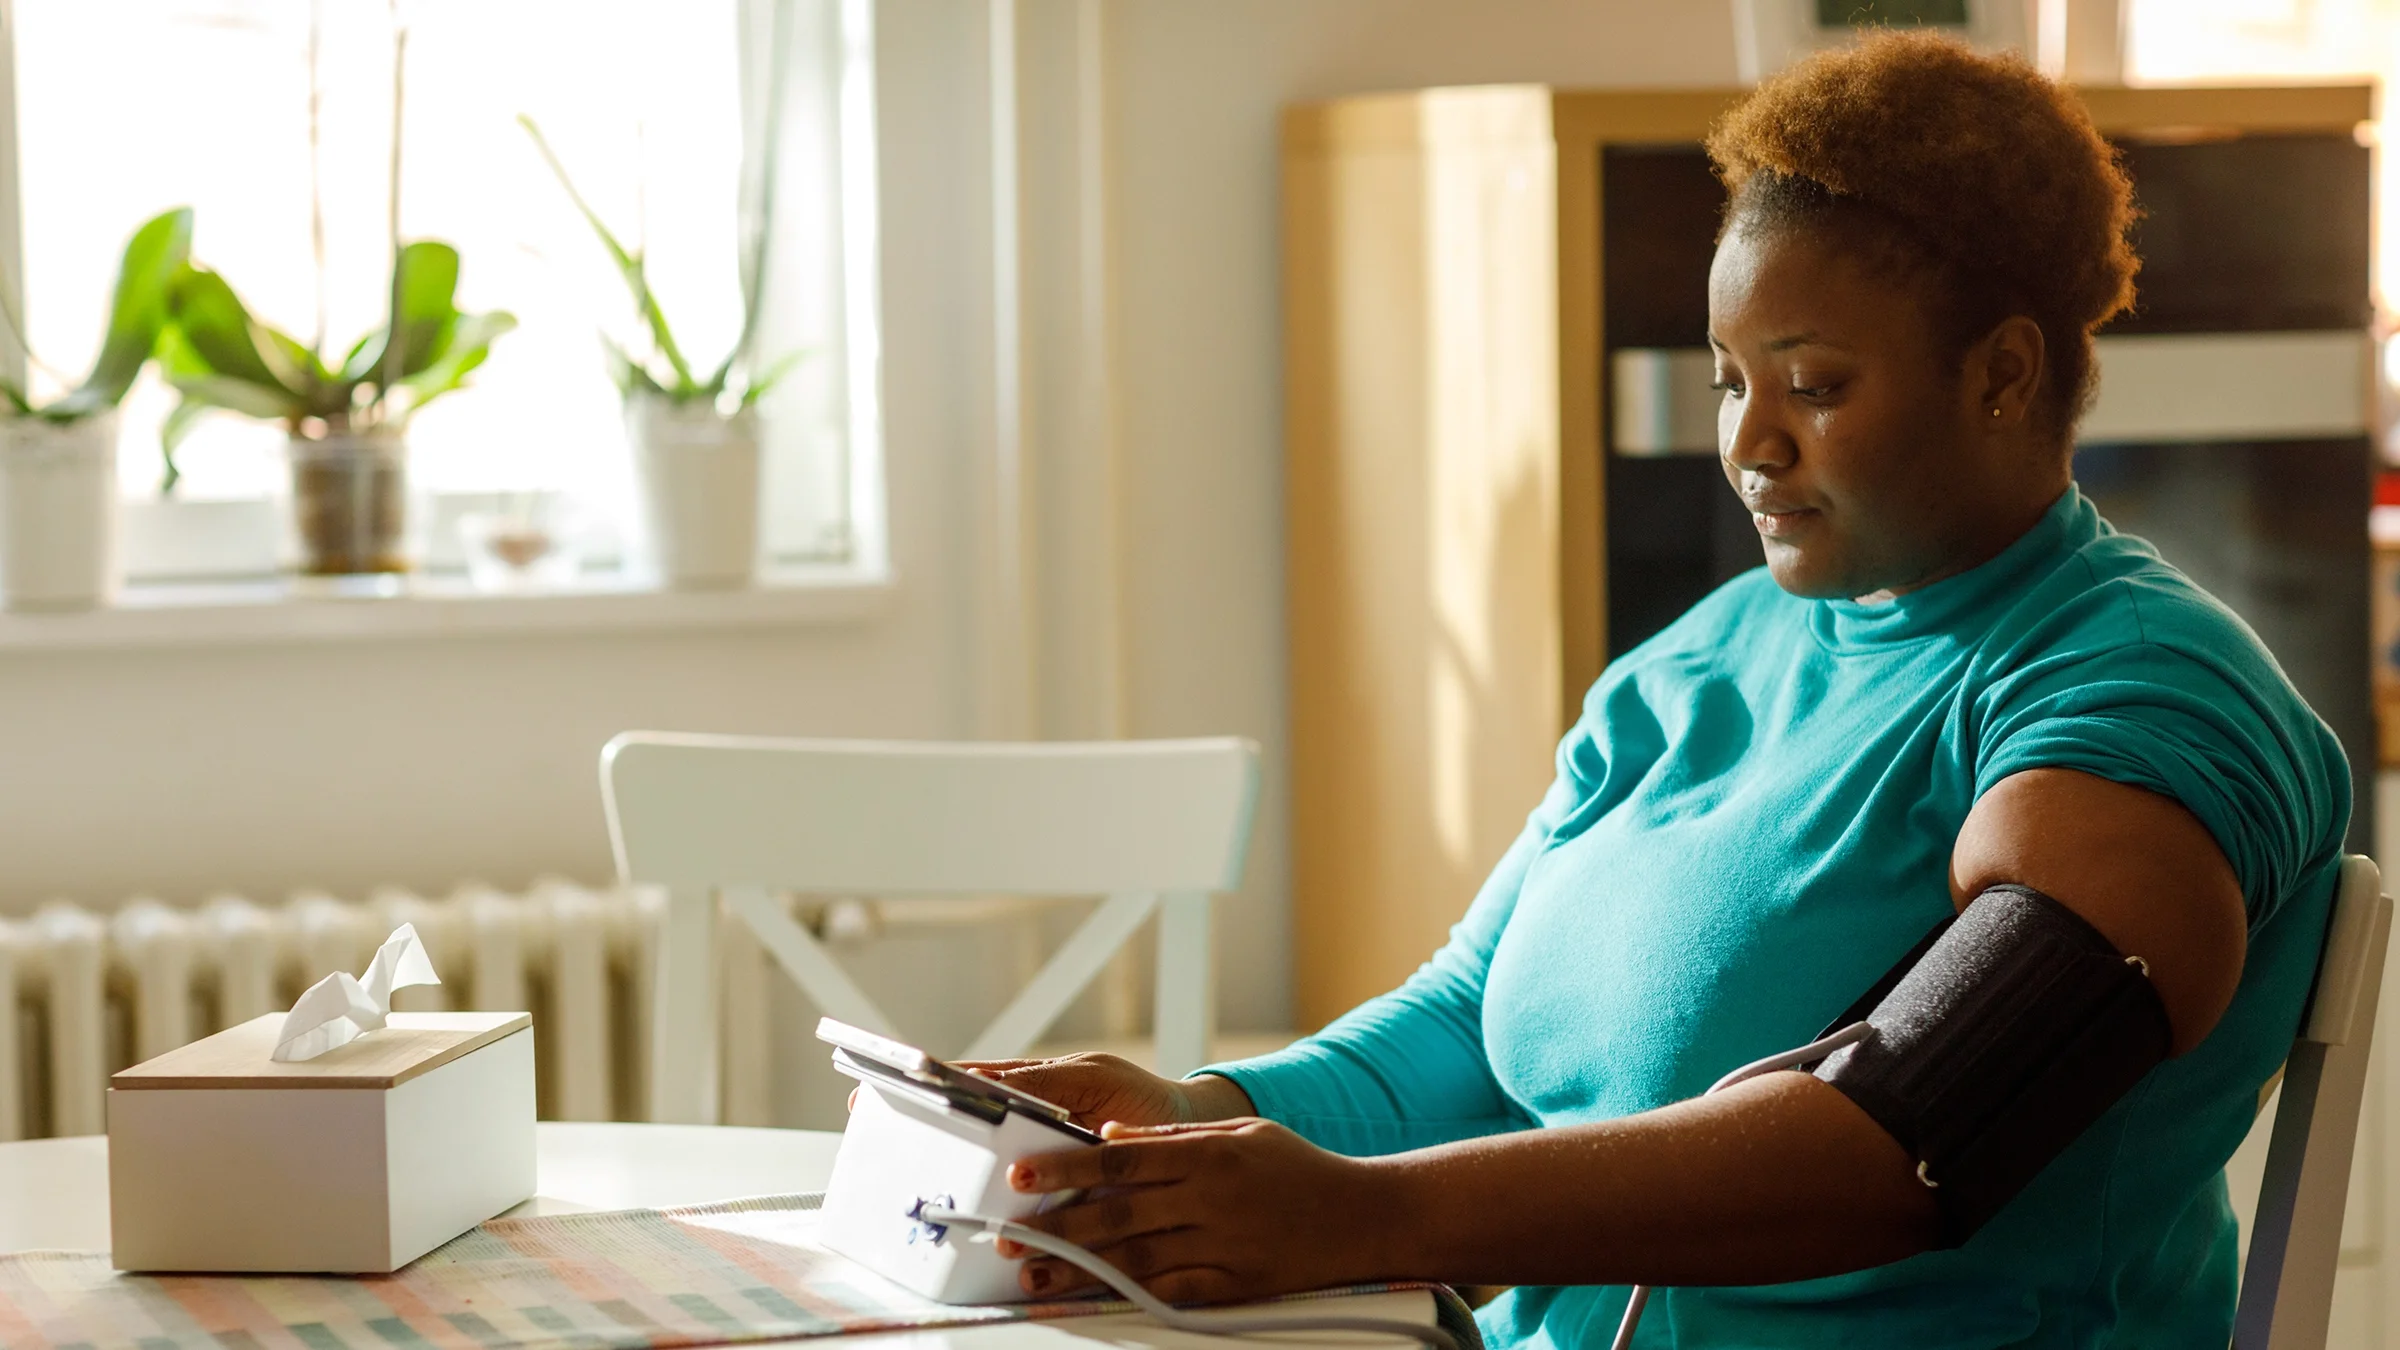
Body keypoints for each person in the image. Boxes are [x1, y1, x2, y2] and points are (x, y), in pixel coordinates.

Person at [965, 31, 2351, 1348]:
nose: (1750, 441)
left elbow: (1917, 1130)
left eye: (1813, 382)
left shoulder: (2140, 689)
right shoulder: (1695, 663)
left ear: (2002, 372)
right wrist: (1188, 1118)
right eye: (1728, 378)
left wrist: (1363, 1214)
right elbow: (1466, 1021)